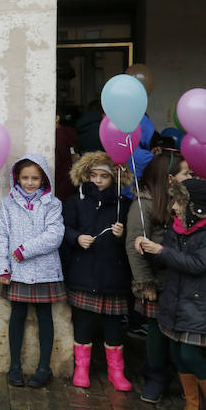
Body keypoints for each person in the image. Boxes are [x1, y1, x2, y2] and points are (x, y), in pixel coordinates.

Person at [0, 155, 66, 388]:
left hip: (45, 270)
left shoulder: (52, 204)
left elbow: (55, 235)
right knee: (17, 315)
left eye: (35, 178)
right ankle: (14, 366)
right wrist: (3, 267)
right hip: (17, 272)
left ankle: (44, 368)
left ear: (43, 179)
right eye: (25, 178)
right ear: (17, 178)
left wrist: (24, 250)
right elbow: (0, 237)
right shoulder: (8, 204)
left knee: (45, 316)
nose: (30, 183)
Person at [62, 151, 133, 391]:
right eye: (93, 175)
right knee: (83, 324)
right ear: (86, 176)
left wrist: (122, 235)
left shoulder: (124, 205)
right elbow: (64, 228)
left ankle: (116, 371)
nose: (98, 180)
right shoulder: (75, 202)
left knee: (113, 327)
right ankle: (81, 368)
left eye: (104, 176)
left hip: (113, 275)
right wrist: (76, 237)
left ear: (114, 178)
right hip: (83, 272)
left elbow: (133, 240)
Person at [126, 152, 192, 403]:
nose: (191, 177)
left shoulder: (185, 201)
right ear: (170, 178)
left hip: (179, 276)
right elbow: (134, 245)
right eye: (186, 173)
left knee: (177, 330)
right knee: (156, 329)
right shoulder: (143, 204)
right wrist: (145, 282)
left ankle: (178, 374)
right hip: (156, 279)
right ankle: (156, 376)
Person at [139, 178, 206, 409]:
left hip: (197, 306)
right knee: (177, 354)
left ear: (196, 207)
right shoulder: (176, 228)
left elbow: (198, 264)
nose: (174, 207)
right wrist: (147, 249)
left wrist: (161, 251)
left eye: (179, 202)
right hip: (175, 303)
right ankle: (193, 404)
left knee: (190, 354)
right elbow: (164, 260)